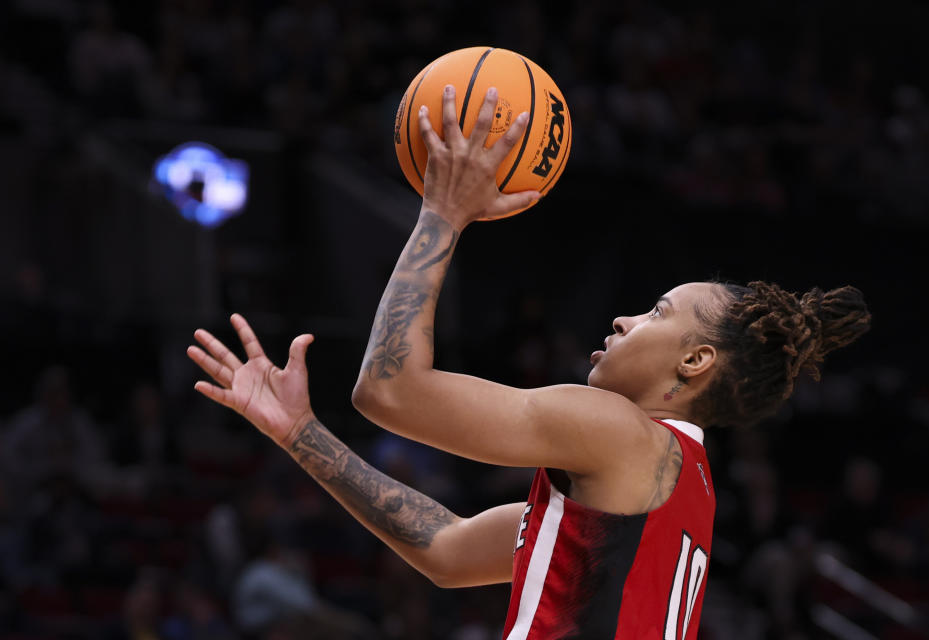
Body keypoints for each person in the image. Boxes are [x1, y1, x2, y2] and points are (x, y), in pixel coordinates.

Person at [188, 86, 871, 638]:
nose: (624, 319)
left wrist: (443, 214)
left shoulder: (618, 431)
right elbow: (448, 552)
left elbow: (390, 390)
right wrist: (299, 431)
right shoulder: (668, 485)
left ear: (693, 362)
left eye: (657, 313)